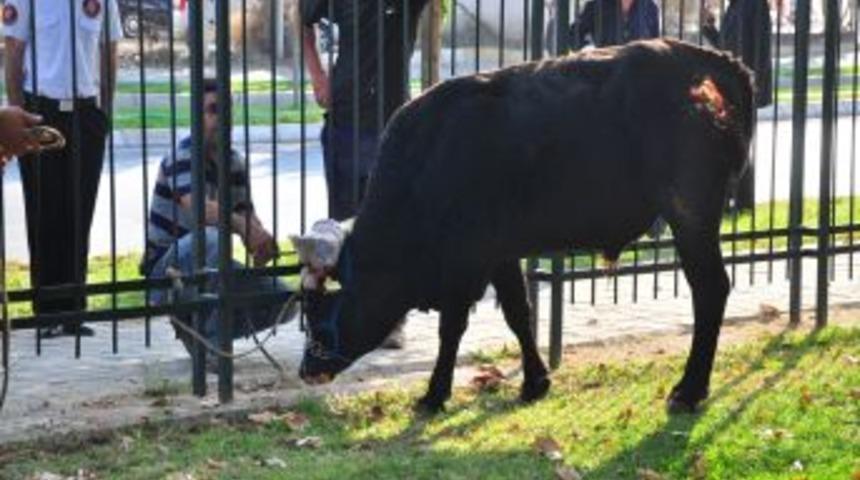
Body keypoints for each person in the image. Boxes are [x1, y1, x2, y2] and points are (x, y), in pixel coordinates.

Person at [300, 0, 431, 349]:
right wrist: (318, 77)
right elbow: (303, 19)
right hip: (345, 119)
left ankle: (392, 320)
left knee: (390, 224)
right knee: (343, 224)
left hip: (391, 123)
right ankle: (350, 315)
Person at [141, 79, 297, 365]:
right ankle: (211, 345)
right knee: (211, 237)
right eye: (213, 110)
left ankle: (196, 329)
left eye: (226, 110)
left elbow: (246, 213)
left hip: (211, 267)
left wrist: (260, 240)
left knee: (286, 300)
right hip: (167, 271)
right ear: (196, 117)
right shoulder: (182, 156)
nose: (221, 118)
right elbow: (199, 209)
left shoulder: (234, 161)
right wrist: (241, 226)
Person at [4, 0, 122, 338]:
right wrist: (17, 114)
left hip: (86, 113)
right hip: (42, 110)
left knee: (79, 210)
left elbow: (108, 48)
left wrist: (104, 110)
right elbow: (13, 50)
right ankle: (47, 311)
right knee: (44, 210)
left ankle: (73, 310)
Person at [702, 0, 772, 210]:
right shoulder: (734, 7)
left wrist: (752, 88)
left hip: (744, 88)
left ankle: (742, 202)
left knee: (739, 144)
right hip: (730, 87)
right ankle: (731, 200)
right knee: (731, 143)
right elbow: (726, 48)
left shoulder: (755, 5)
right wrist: (709, 26)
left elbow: (761, 49)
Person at [569, 0, 660, 49]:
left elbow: (655, 47)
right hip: (606, 77)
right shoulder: (596, 6)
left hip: (638, 77)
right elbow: (572, 35)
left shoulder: (650, 8)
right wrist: (588, 49)